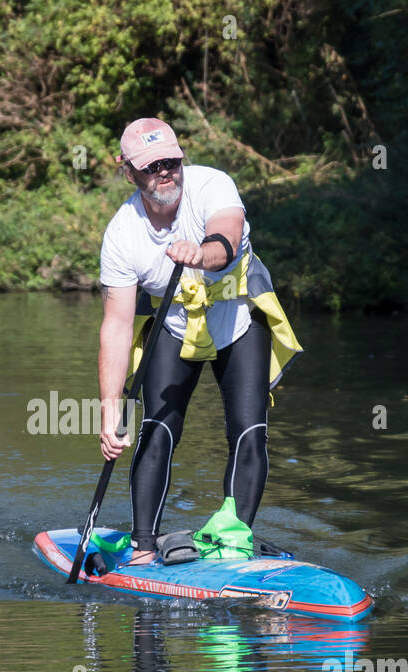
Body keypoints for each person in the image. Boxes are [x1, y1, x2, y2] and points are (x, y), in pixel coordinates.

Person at [98, 118, 303, 564]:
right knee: (157, 429)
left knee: (250, 431)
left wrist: (202, 254)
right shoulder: (122, 235)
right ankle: (143, 548)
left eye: (171, 161)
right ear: (128, 172)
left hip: (239, 325)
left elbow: (227, 238)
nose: (165, 172)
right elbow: (115, 325)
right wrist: (110, 405)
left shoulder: (214, 186)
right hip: (174, 329)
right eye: (151, 167)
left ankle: (233, 540)